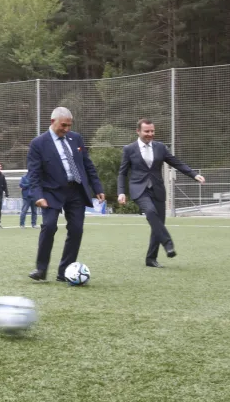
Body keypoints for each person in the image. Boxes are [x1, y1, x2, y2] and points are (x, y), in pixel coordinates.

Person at [26, 106, 105, 282]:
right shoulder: (38, 143)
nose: (67, 129)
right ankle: (41, 269)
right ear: (52, 121)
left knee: (76, 230)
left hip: (76, 190)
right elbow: (34, 174)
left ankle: (65, 272)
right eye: (64, 125)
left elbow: (87, 165)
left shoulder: (75, 138)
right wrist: (38, 195)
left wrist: (98, 188)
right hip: (51, 192)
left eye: (69, 125)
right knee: (49, 226)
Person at [117, 118, 206, 267]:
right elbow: (122, 173)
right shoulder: (129, 149)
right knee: (151, 213)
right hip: (139, 189)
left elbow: (176, 162)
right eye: (147, 131)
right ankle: (167, 242)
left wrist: (193, 174)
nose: (150, 134)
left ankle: (151, 259)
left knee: (158, 224)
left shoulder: (160, 147)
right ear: (138, 131)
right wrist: (121, 192)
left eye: (152, 131)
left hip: (157, 189)